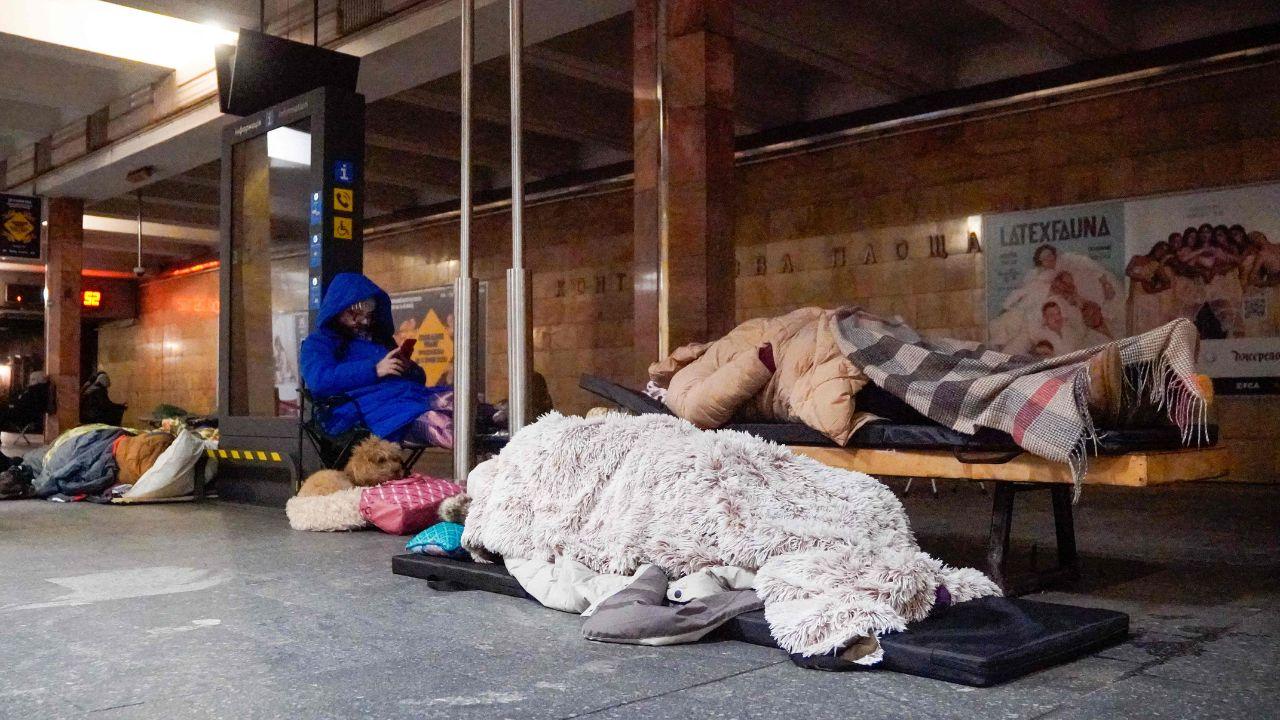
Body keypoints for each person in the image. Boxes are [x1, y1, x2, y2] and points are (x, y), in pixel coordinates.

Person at [301, 273, 453, 447]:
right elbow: (319, 380)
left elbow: (418, 380)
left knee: (457, 401)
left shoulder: (379, 340)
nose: (364, 320)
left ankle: (486, 429)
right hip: (356, 412)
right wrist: (374, 369)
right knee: (436, 422)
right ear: (338, 309)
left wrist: (407, 368)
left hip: (400, 398)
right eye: (356, 314)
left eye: (368, 315)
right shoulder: (318, 343)